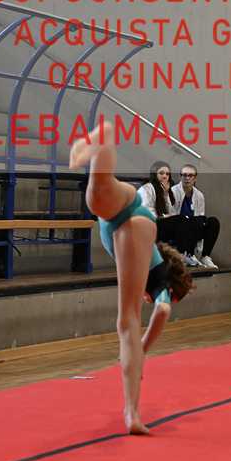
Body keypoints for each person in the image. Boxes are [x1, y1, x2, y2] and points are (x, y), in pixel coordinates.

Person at [69, 122, 193, 435]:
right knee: (128, 323)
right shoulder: (159, 281)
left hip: (121, 212)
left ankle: (103, 141)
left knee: (96, 196)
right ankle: (132, 412)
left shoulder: (152, 268)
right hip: (134, 223)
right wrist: (143, 348)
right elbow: (163, 310)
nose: (153, 301)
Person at [138, 162, 194, 260]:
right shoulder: (146, 189)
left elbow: (170, 211)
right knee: (180, 220)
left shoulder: (165, 190)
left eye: (167, 174)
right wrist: (164, 216)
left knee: (188, 221)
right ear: (155, 174)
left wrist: (166, 193)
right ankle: (181, 255)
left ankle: (187, 254)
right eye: (161, 173)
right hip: (149, 225)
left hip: (160, 224)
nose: (165, 176)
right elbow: (146, 212)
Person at [172, 164, 220, 269]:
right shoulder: (173, 192)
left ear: (195, 178)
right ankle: (188, 255)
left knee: (213, 221)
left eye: (190, 175)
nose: (187, 178)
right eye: (184, 175)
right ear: (180, 177)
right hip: (178, 230)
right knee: (188, 221)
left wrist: (199, 248)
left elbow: (200, 219)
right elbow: (171, 217)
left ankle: (205, 256)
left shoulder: (199, 195)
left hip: (193, 229)